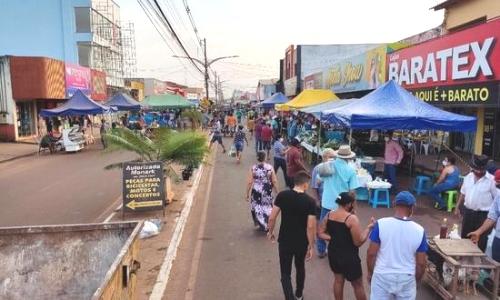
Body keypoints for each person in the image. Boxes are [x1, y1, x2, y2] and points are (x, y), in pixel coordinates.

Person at [366, 191, 428, 300]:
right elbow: (421, 263)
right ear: (412, 207)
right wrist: (416, 280)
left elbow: (371, 254)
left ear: (394, 204)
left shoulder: (381, 224)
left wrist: (370, 273)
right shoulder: (420, 230)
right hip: (407, 277)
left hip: (382, 276)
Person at [268, 171, 317, 300]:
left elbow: (272, 217)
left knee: (285, 272)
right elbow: (311, 226)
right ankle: (299, 294)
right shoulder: (310, 202)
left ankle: (289, 297)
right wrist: (311, 246)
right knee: (300, 267)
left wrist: (271, 232)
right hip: (301, 242)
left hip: (285, 240)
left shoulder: (282, 196)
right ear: (305, 184)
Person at [317, 192, 375, 300]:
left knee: (338, 281)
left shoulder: (329, 214)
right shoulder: (351, 219)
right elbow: (358, 242)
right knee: (358, 285)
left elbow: (320, 232)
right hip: (349, 257)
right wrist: (369, 228)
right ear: (349, 204)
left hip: (333, 254)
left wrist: (332, 238)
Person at [316, 145, 360, 258]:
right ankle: (340, 249)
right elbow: (352, 192)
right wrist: (354, 207)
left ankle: (321, 250)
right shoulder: (350, 170)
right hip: (343, 205)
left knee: (322, 226)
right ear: (349, 157)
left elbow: (318, 181)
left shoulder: (327, 165)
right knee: (343, 228)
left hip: (327, 202)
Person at [455, 154, 498, 252]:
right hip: (468, 213)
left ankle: (480, 264)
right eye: (477, 169)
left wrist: (495, 219)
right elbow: (463, 193)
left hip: (484, 216)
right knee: (465, 238)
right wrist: (457, 207)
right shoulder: (468, 177)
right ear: (473, 168)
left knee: (482, 241)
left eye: (481, 170)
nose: (479, 172)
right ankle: (465, 261)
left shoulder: (492, 181)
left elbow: (496, 200)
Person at [468, 169, 500, 263]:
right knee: (496, 263)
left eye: (498, 182)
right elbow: (492, 217)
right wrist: (479, 232)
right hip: (498, 237)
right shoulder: (499, 195)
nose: (495, 184)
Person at [246, 151, 279, 232]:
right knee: (268, 206)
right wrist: (278, 191)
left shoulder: (253, 168)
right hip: (267, 190)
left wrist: (247, 193)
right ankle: (268, 223)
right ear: (265, 157)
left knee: (257, 207)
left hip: (256, 191)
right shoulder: (270, 168)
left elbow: (249, 181)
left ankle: (260, 223)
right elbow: (274, 181)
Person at [311, 148, 335, 252]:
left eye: (333, 157)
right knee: (321, 224)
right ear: (324, 157)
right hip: (322, 200)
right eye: (330, 157)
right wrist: (317, 200)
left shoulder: (334, 167)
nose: (331, 159)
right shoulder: (318, 168)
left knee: (330, 225)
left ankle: (330, 247)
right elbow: (314, 185)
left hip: (332, 201)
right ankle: (321, 249)